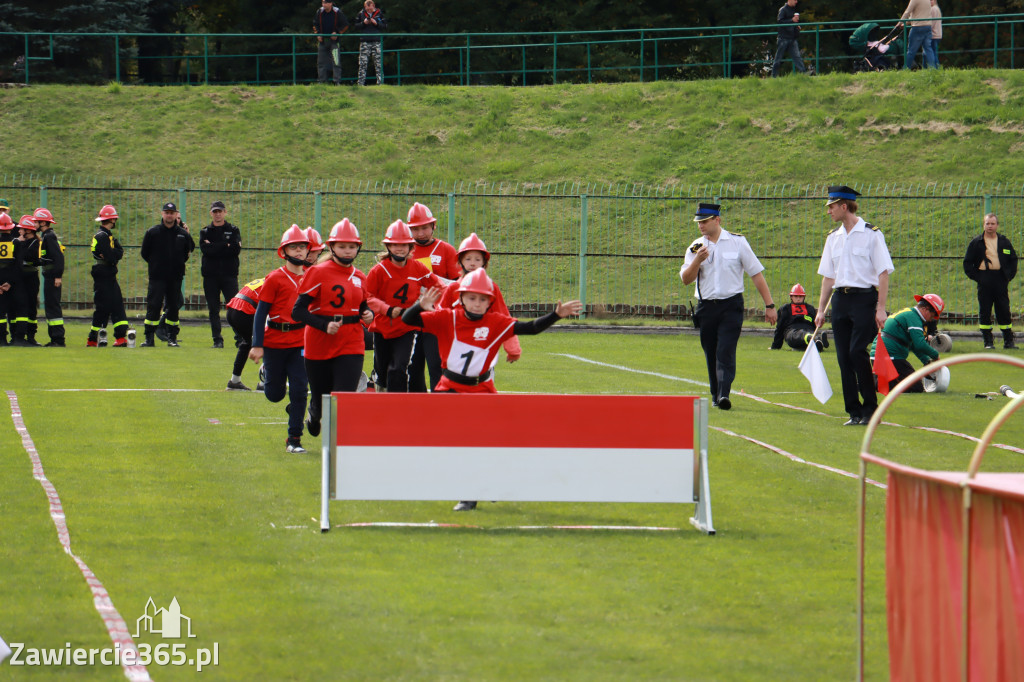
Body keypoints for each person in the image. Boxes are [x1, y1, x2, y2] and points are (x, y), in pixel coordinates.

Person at [403, 269, 582, 511]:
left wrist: (555, 315)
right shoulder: (448, 317)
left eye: (483, 299)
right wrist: (419, 306)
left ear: (490, 302)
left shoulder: (496, 322)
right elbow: (408, 320)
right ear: (462, 297)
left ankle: (483, 487)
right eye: (472, 298)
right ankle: (470, 492)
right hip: (450, 389)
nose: (477, 304)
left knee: (490, 440)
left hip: (482, 390)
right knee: (457, 441)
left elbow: (530, 328)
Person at [680, 203, 778, 411]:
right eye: (699, 222)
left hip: (731, 306)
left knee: (725, 350)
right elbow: (686, 279)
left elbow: (756, 274)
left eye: (705, 221)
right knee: (711, 351)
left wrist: (769, 305)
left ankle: (724, 393)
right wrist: (697, 260)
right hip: (706, 307)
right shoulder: (695, 247)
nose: (701, 226)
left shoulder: (738, 243)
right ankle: (716, 394)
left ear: (717, 220)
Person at [815, 185, 895, 426]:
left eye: (831, 206)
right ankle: (854, 411)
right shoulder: (833, 238)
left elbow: (883, 273)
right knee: (843, 358)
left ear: (844, 206)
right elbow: (828, 277)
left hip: (863, 299)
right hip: (840, 300)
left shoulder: (871, 234)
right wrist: (820, 310)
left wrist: (881, 308)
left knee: (856, 352)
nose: (828, 211)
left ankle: (871, 408)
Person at [292, 218, 374, 438]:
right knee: (321, 397)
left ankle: (338, 445)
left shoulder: (360, 277)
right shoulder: (318, 272)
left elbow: (363, 306)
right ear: (332, 247)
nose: (347, 251)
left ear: (358, 248)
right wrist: (324, 325)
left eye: (352, 246)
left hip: (351, 342)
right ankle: (314, 413)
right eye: (342, 246)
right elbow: (297, 311)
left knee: (343, 396)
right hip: (319, 342)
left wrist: (368, 314)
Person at [248, 225, 310, 454]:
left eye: (303, 247)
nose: (299, 251)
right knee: (275, 395)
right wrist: (257, 344)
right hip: (274, 341)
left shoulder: (313, 277)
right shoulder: (274, 278)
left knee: (300, 389)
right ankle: (268, 374)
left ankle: (294, 438)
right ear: (284, 251)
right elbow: (260, 312)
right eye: (294, 247)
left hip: (301, 341)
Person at [365, 219, 441, 393]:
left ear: (410, 247)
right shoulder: (379, 270)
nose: (399, 249)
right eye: (395, 245)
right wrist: (387, 310)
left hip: (407, 327)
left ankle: (397, 406)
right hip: (382, 328)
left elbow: (438, 286)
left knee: (398, 368)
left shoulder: (418, 268)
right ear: (388, 247)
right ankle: (381, 392)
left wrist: (433, 302)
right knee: (383, 372)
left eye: (404, 245)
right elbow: (368, 297)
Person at [438, 232, 522, 363]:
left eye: (477, 259)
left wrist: (513, 348)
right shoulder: (453, 288)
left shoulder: (491, 288)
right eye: (468, 259)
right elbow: (440, 317)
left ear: (484, 262)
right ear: (460, 261)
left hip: (484, 344)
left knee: (483, 380)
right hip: (456, 345)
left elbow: (504, 317)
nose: (472, 263)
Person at [407, 202, 461, 391]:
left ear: (433, 226)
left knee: (437, 367)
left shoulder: (446, 250)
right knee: (411, 370)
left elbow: (457, 285)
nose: (420, 233)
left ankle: (441, 411)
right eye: (415, 229)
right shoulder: (405, 250)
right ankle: (416, 412)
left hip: (436, 319)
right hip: (410, 318)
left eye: (424, 228)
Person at [140, 202, 195, 347]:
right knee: (153, 306)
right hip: (157, 277)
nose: (169, 215)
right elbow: (145, 253)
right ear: (162, 214)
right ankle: (149, 338)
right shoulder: (153, 232)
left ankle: (172, 338)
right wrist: (156, 265)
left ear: (176, 214)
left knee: (173, 308)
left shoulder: (182, 234)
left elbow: (188, 251)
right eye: (167, 212)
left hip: (175, 277)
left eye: (172, 212)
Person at [963, 213, 1018, 349]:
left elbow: (1013, 260)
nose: (990, 226)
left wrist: (1008, 276)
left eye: (992, 223)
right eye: (987, 223)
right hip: (984, 279)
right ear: (984, 225)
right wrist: (978, 277)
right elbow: (967, 263)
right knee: (985, 311)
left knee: (1004, 310)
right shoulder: (976, 242)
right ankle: (988, 341)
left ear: (997, 225)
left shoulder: (1004, 242)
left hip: (1000, 279)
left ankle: (1008, 341)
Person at [870, 294, 943, 393]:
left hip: (881, 355)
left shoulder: (909, 314)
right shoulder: (914, 318)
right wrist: (936, 355)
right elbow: (920, 344)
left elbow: (913, 345)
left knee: (909, 384)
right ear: (926, 309)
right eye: (933, 314)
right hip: (890, 357)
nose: (932, 319)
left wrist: (926, 361)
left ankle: (874, 381)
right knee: (916, 387)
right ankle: (874, 383)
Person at [199, 200, 242, 348]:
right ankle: (217, 340)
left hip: (229, 275)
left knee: (234, 308)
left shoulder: (233, 230)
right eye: (215, 211)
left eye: (220, 211)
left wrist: (215, 246)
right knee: (213, 309)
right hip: (210, 276)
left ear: (225, 212)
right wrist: (225, 245)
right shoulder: (205, 231)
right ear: (211, 213)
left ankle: (239, 338)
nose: (217, 214)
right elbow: (206, 251)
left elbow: (235, 250)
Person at [88, 205, 130, 348]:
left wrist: (113, 254)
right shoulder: (102, 236)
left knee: (117, 304)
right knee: (103, 306)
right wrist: (113, 254)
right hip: (103, 273)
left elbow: (118, 252)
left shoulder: (108, 236)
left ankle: (120, 337)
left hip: (109, 273)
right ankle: (93, 339)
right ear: (111, 219)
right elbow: (112, 256)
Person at [33, 208, 65, 347]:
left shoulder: (49, 236)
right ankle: (54, 338)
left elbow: (59, 258)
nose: (34, 224)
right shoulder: (46, 236)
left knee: (53, 308)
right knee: (50, 307)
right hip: (50, 276)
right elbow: (48, 258)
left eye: (36, 221)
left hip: (52, 277)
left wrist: (58, 276)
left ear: (43, 222)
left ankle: (58, 339)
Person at [10, 214, 42, 347]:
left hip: (31, 277)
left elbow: (30, 257)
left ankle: (30, 336)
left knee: (31, 307)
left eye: (22, 229)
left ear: (28, 230)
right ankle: (16, 336)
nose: (19, 231)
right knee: (17, 306)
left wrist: (20, 245)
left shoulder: (35, 242)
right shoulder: (18, 241)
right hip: (20, 277)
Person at [771, 283, 827, 352]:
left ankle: (817, 341)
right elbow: (780, 327)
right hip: (792, 330)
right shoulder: (785, 308)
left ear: (804, 297)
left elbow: (815, 325)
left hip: (809, 329)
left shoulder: (810, 309)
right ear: (791, 297)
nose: (798, 299)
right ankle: (813, 339)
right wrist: (776, 346)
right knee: (800, 334)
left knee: (812, 334)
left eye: (800, 296)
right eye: (796, 296)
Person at [314, 0, 348, 85]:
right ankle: (322, 81)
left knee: (336, 61)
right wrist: (318, 34)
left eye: (326, 3)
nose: (324, 5)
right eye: (323, 3)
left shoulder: (337, 12)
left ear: (331, 3)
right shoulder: (319, 11)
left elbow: (345, 25)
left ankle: (337, 81)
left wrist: (337, 32)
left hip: (334, 42)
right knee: (320, 62)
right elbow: (315, 24)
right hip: (322, 41)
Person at [898, 0, 938, 69]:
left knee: (911, 50)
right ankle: (933, 68)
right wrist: (906, 23)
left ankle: (906, 68)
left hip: (917, 27)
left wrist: (899, 23)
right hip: (927, 26)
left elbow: (907, 12)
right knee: (928, 49)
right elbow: (917, 15)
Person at [354, 0, 386, 86]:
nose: (369, 11)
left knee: (378, 63)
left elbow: (384, 26)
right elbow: (356, 26)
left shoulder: (379, 13)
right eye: (367, 9)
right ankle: (360, 84)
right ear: (365, 7)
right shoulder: (361, 14)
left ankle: (380, 83)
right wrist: (363, 23)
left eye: (370, 9)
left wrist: (376, 23)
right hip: (365, 41)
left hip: (376, 41)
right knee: (362, 63)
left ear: (373, 6)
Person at [0, 211, 21, 346]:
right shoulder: (16, 242)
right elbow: (18, 265)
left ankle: (1, 339)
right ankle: (15, 338)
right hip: (12, 282)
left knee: (0, 312)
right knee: (13, 311)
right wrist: (10, 283)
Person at [772, 0, 806, 77]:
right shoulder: (783, 10)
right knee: (779, 58)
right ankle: (774, 75)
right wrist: (791, 20)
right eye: (795, 0)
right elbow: (780, 21)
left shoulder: (792, 9)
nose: (796, 2)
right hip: (783, 38)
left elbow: (790, 22)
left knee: (797, 57)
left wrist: (796, 26)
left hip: (792, 37)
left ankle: (804, 73)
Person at [928, 0, 942, 67]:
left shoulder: (933, 9)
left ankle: (936, 67)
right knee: (933, 52)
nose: (930, 2)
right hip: (938, 34)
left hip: (934, 34)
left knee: (932, 53)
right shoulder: (937, 8)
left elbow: (931, 23)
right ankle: (936, 67)